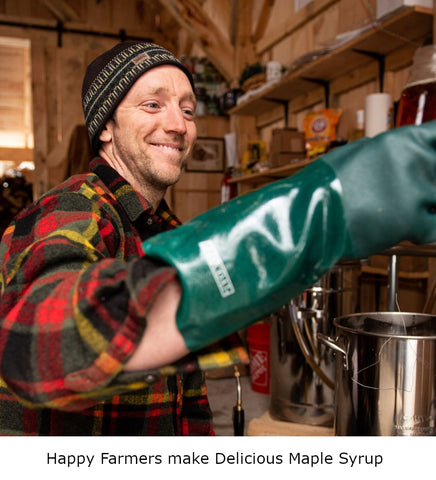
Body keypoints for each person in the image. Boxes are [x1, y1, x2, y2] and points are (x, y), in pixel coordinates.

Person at [1, 40, 436, 436]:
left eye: (188, 110)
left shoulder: (158, 227)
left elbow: (181, 403)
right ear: (106, 128)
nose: (178, 125)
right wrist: (316, 214)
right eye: (153, 105)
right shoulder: (72, 208)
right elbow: (36, 343)